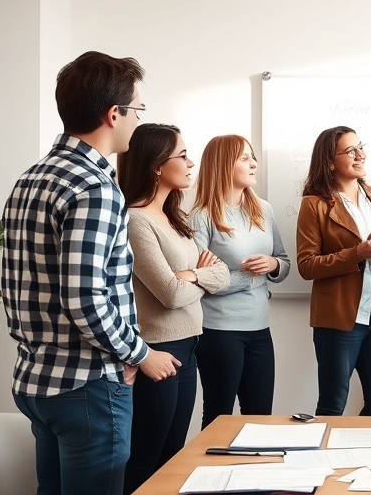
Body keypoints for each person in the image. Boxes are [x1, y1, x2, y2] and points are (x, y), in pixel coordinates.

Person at [1, 51, 180, 495]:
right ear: (113, 113)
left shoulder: (32, 177)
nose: (139, 121)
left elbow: (17, 287)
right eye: (138, 110)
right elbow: (85, 298)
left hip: (37, 380)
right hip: (87, 387)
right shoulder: (95, 187)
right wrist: (141, 353)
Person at [117, 124, 230, 493]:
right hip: (158, 351)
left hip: (190, 345)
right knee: (146, 459)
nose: (190, 162)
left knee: (173, 455)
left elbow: (222, 274)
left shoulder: (175, 218)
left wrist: (191, 275)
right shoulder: (136, 220)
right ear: (155, 165)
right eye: (182, 155)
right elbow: (169, 294)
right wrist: (200, 276)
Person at [296, 126, 371, 416]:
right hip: (339, 319)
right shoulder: (315, 205)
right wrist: (356, 254)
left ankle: (360, 453)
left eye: (361, 147)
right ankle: (326, 461)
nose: (361, 155)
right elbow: (306, 265)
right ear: (330, 161)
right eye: (351, 151)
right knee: (333, 404)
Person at [190, 135, 291, 428]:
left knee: (260, 418)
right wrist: (248, 278)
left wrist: (272, 265)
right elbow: (200, 280)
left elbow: (283, 262)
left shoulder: (264, 209)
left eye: (253, 157)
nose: (254, 163)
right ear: (223, 165)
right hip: (219, 331)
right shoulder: (201, 216)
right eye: (245, 158)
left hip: (260, 329)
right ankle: (211, 474)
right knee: (219, 418)